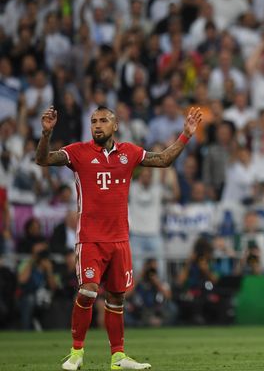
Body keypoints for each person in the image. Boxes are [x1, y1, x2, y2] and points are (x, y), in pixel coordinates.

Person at [35, 104, 202, 370]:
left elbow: (163, 159)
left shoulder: (129, 153)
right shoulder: (78, 152)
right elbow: (43, 160)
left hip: (120, 240)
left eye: (103, 120)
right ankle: (76, 353)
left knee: (116, 299)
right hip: (90, 239)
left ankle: (118, 357)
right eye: (93, 121)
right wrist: (45, 134)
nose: (97, 125)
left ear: (115, 126)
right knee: (88, 291)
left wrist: (186, 135)